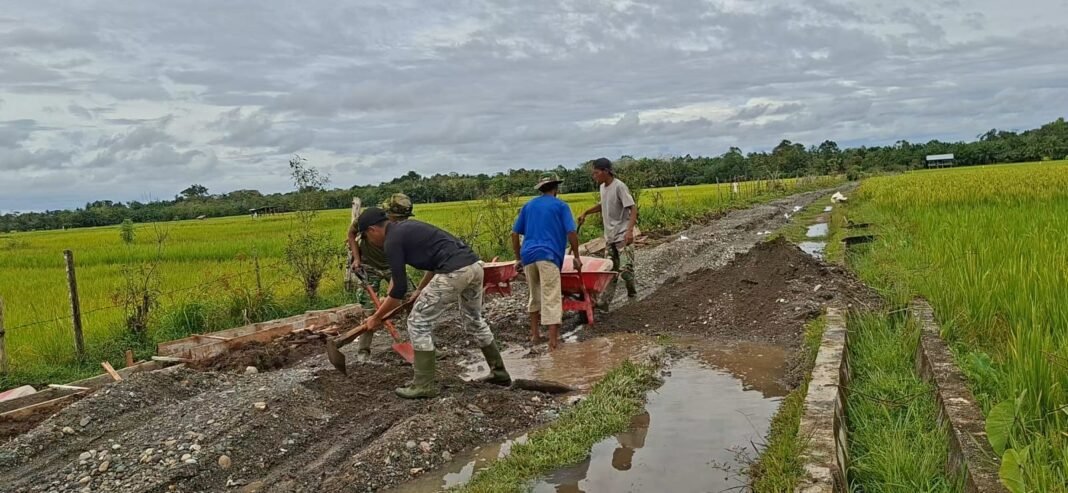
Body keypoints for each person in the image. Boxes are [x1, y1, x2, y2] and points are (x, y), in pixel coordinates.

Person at [357, 207, 510, 399]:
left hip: (454, 271)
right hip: (474, 266)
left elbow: (398, 291)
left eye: (366, 237)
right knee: (473, 319)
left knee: (417, 321)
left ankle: (423, 385)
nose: (370, 242)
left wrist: (376, 317)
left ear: (372, 230)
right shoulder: (406, 228)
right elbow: (435, 260)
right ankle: (499, 372)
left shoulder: (391, 241)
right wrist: (420, 289)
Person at [511, 172, 582, 351]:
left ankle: (535, 335)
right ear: (556, 189)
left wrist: (518, 258)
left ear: (541, 189)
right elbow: (571, 232)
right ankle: (553, 342)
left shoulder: (528, 206)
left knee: (534, 295)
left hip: (528, 256)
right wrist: (576, 256)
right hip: (548, 256)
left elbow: (514, 233)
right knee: (551, 296)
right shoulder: (561, 206)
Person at [345, 193, 414, 362]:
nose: (401, 220)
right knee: (369, 310)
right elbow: (351, 234)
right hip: (369, 266)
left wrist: (396, 282)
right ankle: (363, 351)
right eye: (398, 217)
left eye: (404, 217)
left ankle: (420, 344)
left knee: (412, 300)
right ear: (388, 212)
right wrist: (357, 258)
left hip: (393, 266)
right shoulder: (369, 219)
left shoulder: (404, 227)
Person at [577, 158, 638, 308]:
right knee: (609, 272)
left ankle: (632, 293)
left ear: (605, 171)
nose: (594, 176)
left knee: (625, 271)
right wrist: (586, 212)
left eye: (596, 173)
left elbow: (633, 208)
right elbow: (603, 204)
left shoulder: (619, 187)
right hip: (610, 237)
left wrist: (629, 231)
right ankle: (605, 303)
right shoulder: (603, 188)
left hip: (623, 235)